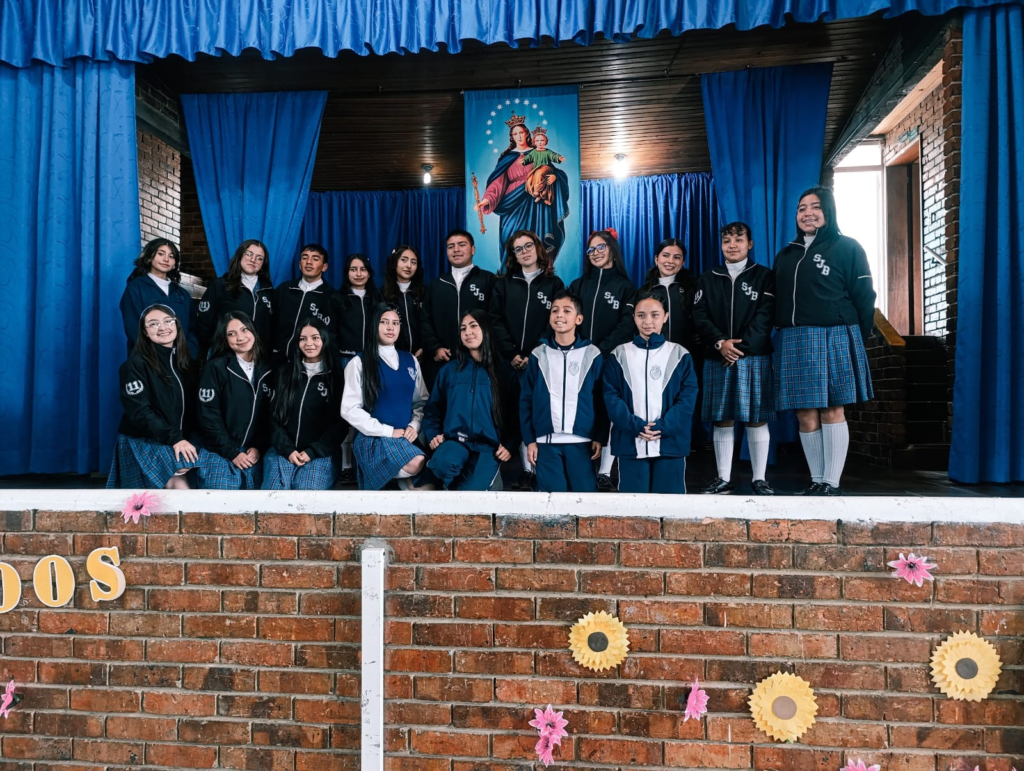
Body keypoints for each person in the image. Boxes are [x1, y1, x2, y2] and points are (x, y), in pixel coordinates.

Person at [774, 186, 875, 496]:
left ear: (828, 211)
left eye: (815, 207)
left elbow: (864, 297)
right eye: (801, 208)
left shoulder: (848, 247)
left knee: (832, 408)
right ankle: (817, 481)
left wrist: (856, 336)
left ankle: (832, 483)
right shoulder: (786, 254)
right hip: (794, 337)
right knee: (804, 412)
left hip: (834, 333)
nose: (807, 213)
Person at [692, 222, 777, 496]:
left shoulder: (764, 276)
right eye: (727, 240)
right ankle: (723, 478)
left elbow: (765, 317)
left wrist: (739, 349)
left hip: (753, 356)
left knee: (756, 417)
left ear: (749, 244)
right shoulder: (708, 278)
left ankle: (760, 479)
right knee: (722, 418)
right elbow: (700, 316)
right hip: (717, 355)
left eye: (739, 239)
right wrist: (721, 343)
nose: (732, 245)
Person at [489, 229, 565, 489]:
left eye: (528, 245)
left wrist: (533, 352)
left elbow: (555, 322)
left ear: (538, 247)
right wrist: (511, 353)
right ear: (513, 255)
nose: (524, 251)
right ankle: (524, 470)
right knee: (512, 414)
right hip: (507, 362)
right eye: (518, 248)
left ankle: (539, 468)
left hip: (539, 361)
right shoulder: (503, 284)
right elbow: (495, 320)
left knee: (535, 413)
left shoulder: (554, 284)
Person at [603, 292, 698, 494]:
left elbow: (687, 398)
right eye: (641, 315)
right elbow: (611, 396)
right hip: (630, 443)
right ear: (634, 318)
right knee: (634, 507)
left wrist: (663, 427)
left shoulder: (680, 354)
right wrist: (635, 426)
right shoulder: (619, 354)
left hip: (670, 444)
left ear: (666, 316)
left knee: (669, 505)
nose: (648, 322)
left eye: (655, 315)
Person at [568, 228, 638, 492]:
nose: (595, 253)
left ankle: (605, 471)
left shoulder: (626, 287)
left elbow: (626, 325)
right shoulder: (578, 285)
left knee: (609, 412)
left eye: (601, 247)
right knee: (582, 409)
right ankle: (579, 465)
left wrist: (601, 349)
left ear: (612, 251)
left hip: (610, 360)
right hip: (579, 359)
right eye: (591, 249)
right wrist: (581, 349)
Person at [520, 291, 606, 493]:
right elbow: (526, 400)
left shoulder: (592, 354)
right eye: (555, 310)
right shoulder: (538, 354)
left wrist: (599, 436)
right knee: (553, 500)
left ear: (579, 319)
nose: (559, 315)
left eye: (567, 311)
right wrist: (530, 440)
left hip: (582, 441)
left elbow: (601, 400)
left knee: (584, 498)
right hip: (546, 442)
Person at [419, 310, 514, 490]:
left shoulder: (503, 370)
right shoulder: (450, 370)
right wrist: (433, 434)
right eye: (463, 329)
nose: (467, 332)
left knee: (471, 494)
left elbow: (515, 413)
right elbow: (432, 409)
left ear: (486, 329)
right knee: (442, 463)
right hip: (455, 441)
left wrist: (510, 445)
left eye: (473, 326)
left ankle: (487, 480)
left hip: (487, 447)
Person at [107, 304, 199, 489]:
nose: (163, 327)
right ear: (145, 332)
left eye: (168, 321)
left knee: (199, 474)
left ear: (177, 325)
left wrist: (187, 441)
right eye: (154, 324)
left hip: (177, 439)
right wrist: (175, 439)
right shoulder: (135, 366)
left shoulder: (187, 365)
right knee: (177, 486)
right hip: (143, 440)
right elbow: (140, 413)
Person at [342, 304, 430, 491]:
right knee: (416, 461)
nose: (391, 328)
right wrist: (387, 431)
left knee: (428, 489)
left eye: (395, 323)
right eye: (384, 322)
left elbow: (421, 402)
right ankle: (386, 477)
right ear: (374, 325)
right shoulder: (359, 362)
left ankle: (394, 482)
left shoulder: (411, 360)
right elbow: (349, 409)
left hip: (406, 438)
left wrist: (414, 426)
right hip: (374, 438)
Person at [262, 318, 345, 490]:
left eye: (315, 338)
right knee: (274, 492)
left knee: (305, 492)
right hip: (283, 451)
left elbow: (340, 425)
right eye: (303, 338)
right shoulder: (285, 374)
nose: (309, 343)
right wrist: (288, 450)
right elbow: (273, 419)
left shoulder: (337, 377)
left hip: (321, 454)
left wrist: (313, 451)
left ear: (324, 339)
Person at [474, 114, 571, 261]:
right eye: (515, 134)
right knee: (510, 239)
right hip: (513, 202)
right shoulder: (507, 157)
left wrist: (554, 177)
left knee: (536, 240)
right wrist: (488, 199)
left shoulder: (538, 152)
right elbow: (498, 182)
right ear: (512, 137)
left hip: (536, 203)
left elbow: (549, 170)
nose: (519, 136)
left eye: (521, 132)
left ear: (526, 133)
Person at [195, 311, 273, 490]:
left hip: (253, 451)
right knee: (222, 495)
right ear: (224, 339)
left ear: (253, 330)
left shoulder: (269, 369)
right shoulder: (216, 368)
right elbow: (208, 415)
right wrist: (231, 452)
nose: (240, 337)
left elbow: (271, 415)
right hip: (219, 449)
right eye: (231, 334)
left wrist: (259, 446)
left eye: (244, 329)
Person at [420, 230, 496, 386]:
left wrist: (484, 349)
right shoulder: (436, 284)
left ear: (473, 249)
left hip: (481, 361)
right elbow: (425, 320)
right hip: (443, 360)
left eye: (462, 245)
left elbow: (495, 318)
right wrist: (435, 348)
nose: (456, 250)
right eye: (451, 246)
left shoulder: (488, 280)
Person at [120, 239, 199, 357]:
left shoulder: (182, 294)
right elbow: (134, 328)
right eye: (161, 254)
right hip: (148, 359)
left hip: (181, 360)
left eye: (171, 256)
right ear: (149, 258)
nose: (166, 259)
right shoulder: (136, 288)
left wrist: (188, 353)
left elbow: (192, 329)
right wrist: (158, 356)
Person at [196, 240, 274, 357]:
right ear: (240, 255)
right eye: (249, 254)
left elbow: (272, 325)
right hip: (225, 355)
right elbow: (204, 322)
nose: (253, 260)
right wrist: (218, 346)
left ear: (263, 263)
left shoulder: (268, 290)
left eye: (259, 258)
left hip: (258, 356)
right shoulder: (220, 285)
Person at [271, 244, 336, 365]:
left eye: (315, 259)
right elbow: (270, 323)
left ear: (324, 267)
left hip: (310, 364)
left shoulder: (333, 297)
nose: (309, 262)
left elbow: (333, 335)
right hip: (278, 361)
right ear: (300, 264)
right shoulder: (284, 290)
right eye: (305, 257)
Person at [639, 238, 699, 351]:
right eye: (665, 255)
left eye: (677, 257)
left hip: (688, 354)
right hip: (654, 354)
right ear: (656, 259)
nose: (670, 261)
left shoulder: (693, 288)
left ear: (683, 262)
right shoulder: (644, 292)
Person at [333, 254, 382, 357]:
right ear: (347, 273)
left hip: (373, 358)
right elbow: (332, 333)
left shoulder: (378, 299)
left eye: (363, 269)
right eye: (353, 270)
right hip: (346, 358)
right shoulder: (337, 299)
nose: (358, 274)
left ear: (369, 274)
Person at [381, 245, 425, 357]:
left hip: (422, 356)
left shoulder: (425, 293)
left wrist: (425, 346)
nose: (409, 266)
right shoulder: (381, 294)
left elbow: (429, 323)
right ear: (394, 263)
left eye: (413, 262)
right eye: (404, 260)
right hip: (392, 356)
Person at [521, 127, 565, 206]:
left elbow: (553, 156)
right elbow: (528, 158)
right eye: (537, 141)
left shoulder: (548, 151)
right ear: (534, 142)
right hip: (536, 168)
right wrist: (523, 161)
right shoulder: (533, 152)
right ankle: (540, 195)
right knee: (531, 178)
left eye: (542, 140)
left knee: (539, 173)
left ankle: (538, 191)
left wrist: (559, 158)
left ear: (545, 142)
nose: (540, 142)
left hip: (546, 167)